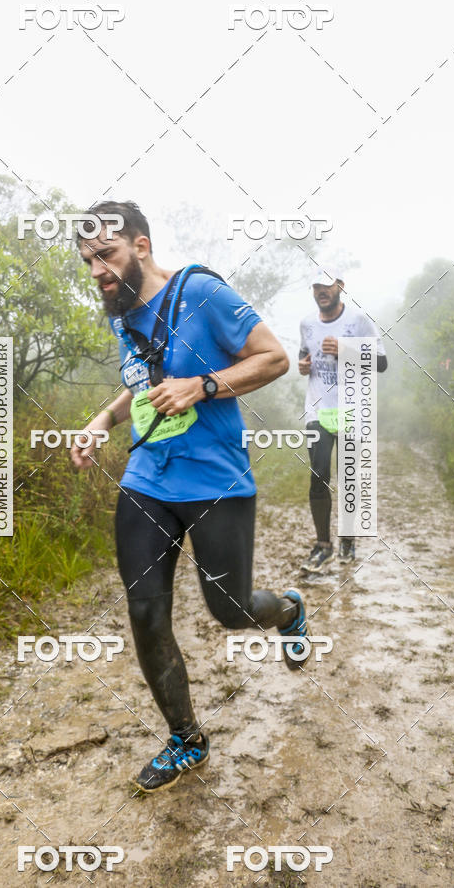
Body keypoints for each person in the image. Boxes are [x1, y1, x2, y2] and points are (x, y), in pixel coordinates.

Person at [71, 200, 309, 792]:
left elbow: (274, 358)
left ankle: (289, 610)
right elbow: (142, 382)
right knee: (145, 611)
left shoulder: (201, 293)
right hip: (147, 479)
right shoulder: (122, 311)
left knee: (230, 611)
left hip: (215, 482)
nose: (98, 270)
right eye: (88, 260)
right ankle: (186, 739)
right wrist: (102, 420)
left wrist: (202, 386)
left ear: (141, 246)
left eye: (106, 254)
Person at [298, 269, 388, 573]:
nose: (321, 291)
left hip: (353, 410)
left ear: (340, 286)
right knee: (318, 475)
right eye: (316, 286)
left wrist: (347, 351)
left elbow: (382, 362)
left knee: (349, 478)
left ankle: (348, 539)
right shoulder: (307, 323)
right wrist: (302, 365)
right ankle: (323, 546)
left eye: (327, 285)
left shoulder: (358, 320)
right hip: (318, 411)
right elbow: (304, 354)